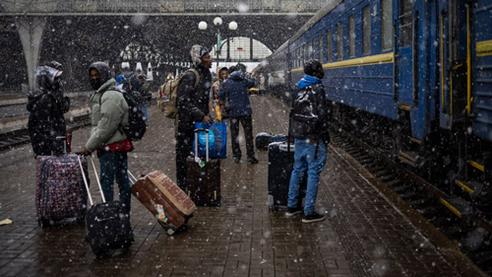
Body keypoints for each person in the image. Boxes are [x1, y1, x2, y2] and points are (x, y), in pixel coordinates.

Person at [79, 62, 133, 216]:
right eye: (92, 76)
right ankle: (120, 213)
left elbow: (105, 126)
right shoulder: (103, 93)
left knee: (110, 182)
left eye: (98, 75)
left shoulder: (110, 95)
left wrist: (89, 146)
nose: (94, 78)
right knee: (119, 180)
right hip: (110, 146)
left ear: (105, 75)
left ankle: (113, 215)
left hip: (112, 147)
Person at [285, 60, 330, 223]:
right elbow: (322, 114)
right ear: (317, 72)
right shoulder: (318, 88)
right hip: (313, 135)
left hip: (298, 134)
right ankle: (308, 212)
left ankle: (291, 206)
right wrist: (324, 134)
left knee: (297, 169)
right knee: (313, 170)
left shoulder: (297, 86)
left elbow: (293, 110)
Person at [175, 45, 212, 190]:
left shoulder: (206, 74)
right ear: (198, 59)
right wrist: (201, 115)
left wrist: (207, 114)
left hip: (198, 124)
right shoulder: (190, 76)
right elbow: (183, 101)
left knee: (200, 154)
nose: (211, 59)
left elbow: (202, 100)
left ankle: (196, 185)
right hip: (186, 125)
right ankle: (183, 188)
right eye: (207, 57)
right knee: (184, 156)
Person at [27, 62, 70, 156]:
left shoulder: (49, 97)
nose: (60, 82)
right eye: (57, 78)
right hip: (49, 149)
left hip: (50, 146)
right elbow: (43, 127)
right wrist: (56, 145)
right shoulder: (46, 100)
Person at [219, 65, 258, 164]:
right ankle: (250, 157)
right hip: (245, 111)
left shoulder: (226, 82)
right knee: (248, 135)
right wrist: (249, 76)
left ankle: (237, 156)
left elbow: (220, 96)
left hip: (233, 112)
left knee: (234, 134)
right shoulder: (243, 80)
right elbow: (253, 83)